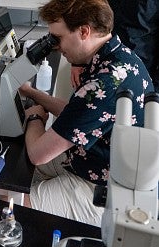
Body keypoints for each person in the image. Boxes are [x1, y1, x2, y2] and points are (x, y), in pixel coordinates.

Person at [20, 0, 154, 226]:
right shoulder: (117, 58)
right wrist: (32, 93)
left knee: (9, 205)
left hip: (100, 188)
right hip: (90, 159)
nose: (56, 47)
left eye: (58, 38)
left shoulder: (105, 83)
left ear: (84, 31)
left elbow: (38, 154)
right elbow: (79, 116)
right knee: (18, 170)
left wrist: (35, 117)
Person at [71, 0, 159, 91]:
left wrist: (154, 93)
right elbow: (89, 10)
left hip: (137, 73)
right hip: (95, 61)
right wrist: (77, 61)